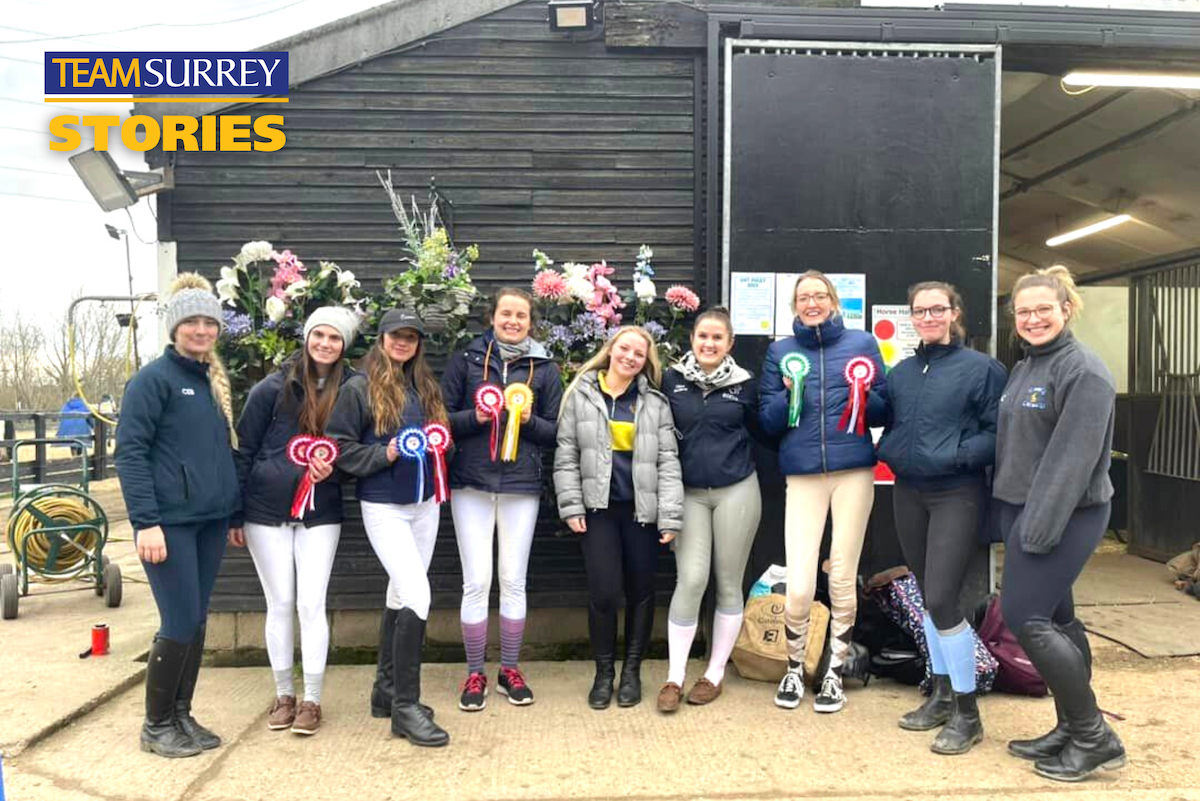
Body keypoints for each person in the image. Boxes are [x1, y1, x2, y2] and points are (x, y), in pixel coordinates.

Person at [993, 266, 1124, 782]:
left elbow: (1070, 462)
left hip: (1064, 513)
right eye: (1024, 312)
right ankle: (1070, 726)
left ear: (1066, 309)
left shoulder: (1083, 371)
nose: (1033, 318)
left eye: (1043, 308)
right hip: (1024, 508)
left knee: (1026, 616)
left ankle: (1095, 738)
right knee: (1062, 619)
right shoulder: (1027, 366)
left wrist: (1038, 530)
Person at [114, 273, 240, 758]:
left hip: (209, 522)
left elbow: (220, 454)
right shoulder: (152, 381)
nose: (202, 330)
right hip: (168, 524)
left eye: (209, 322)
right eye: (192, 322)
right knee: (179, 619)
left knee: (196, 619)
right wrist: (145, 521)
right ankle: (155, 724)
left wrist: (232, 514)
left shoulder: (211, 381)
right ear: (175, 327)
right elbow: (130, 453)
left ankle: (181, 715)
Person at [877, 281, 1006, 754]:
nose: (928, 316)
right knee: (928, 595)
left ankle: (968, 714)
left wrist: (955, 456)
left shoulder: (983, 369)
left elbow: (998, 432)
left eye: (937, 309)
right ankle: (942, 693)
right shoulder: (903, 372)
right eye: (919, 310)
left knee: (944, 597)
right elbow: (890, 421)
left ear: (954, 313)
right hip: (909, 490)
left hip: (956, 491)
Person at [759, 270, 888, 714]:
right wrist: (788, 392)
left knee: (841, 578)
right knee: (798, 586)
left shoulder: (862, 346)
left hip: (853, 470)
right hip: (802, 474)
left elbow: (885, 407)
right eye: (803, 297)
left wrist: (865, 392)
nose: (811, 303)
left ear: (833, 301)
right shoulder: (781, 352)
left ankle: (833, 671)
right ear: (794, 306)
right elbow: (769, 422)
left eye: (819, 295)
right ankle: (795, 667)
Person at [229, 306, 361, 736]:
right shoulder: (271, 388)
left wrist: (335, 469)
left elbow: (357, 448)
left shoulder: (354, 388)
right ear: (306, 338)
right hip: (265, 511)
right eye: (318, 335)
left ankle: (313, 699)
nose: (325, 343)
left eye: (334, 338)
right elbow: (244, 450)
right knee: (280, 603)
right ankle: (284, 693)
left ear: (344, 345)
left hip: (321, 512)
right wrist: (235, 512)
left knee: (310, 604)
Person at [326, 309, 450, 748]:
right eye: (396, 336)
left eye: (411, 337)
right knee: (419, 595)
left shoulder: (424, 385)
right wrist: (386, 455)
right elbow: (340, 448)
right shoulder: (358, 388)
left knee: (399, 593)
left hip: (425, 504)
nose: (403, 343)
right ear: (381, 338)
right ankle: (406, 708)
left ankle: (386, 691)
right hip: (384, 507)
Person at [440, 288, 562, 711]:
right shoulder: (466, 361)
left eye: (521, 315)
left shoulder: (545, 368)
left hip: (520, 487)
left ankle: (509, 669)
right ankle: (475, 672)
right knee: (476, 582)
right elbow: (442, 420)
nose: (513, 320)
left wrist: (527, 421)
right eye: (506, 313)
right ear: (491, 317)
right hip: (471, 484)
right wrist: (476, 417)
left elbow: (555, 432)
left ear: (532, 321)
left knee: (513, 579)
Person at [554, 326, 683, 710]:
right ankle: (603, 672)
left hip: (641, 513)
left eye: (639, 354)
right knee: (604, 593)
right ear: (610, 350)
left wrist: (670, 516)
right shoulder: (580, 395)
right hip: (598, 513)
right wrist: (572, 506)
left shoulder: (655, 403)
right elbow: (565, 456)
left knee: (642, 593)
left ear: (646, 362)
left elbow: (668, 462)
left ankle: (631, 672)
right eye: (624, 348)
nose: (630, 357)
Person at [656, 307, 763, 712]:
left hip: (736, 489)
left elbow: (767, 428)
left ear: (730, 344)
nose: (709, 343)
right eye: (703, 336)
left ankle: (714, 673)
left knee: (728, 581)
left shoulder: (746, 386)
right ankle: (674, 676)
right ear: (692, 339)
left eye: (718, 338)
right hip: (688, 492)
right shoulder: (671, 381)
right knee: (692, 579)